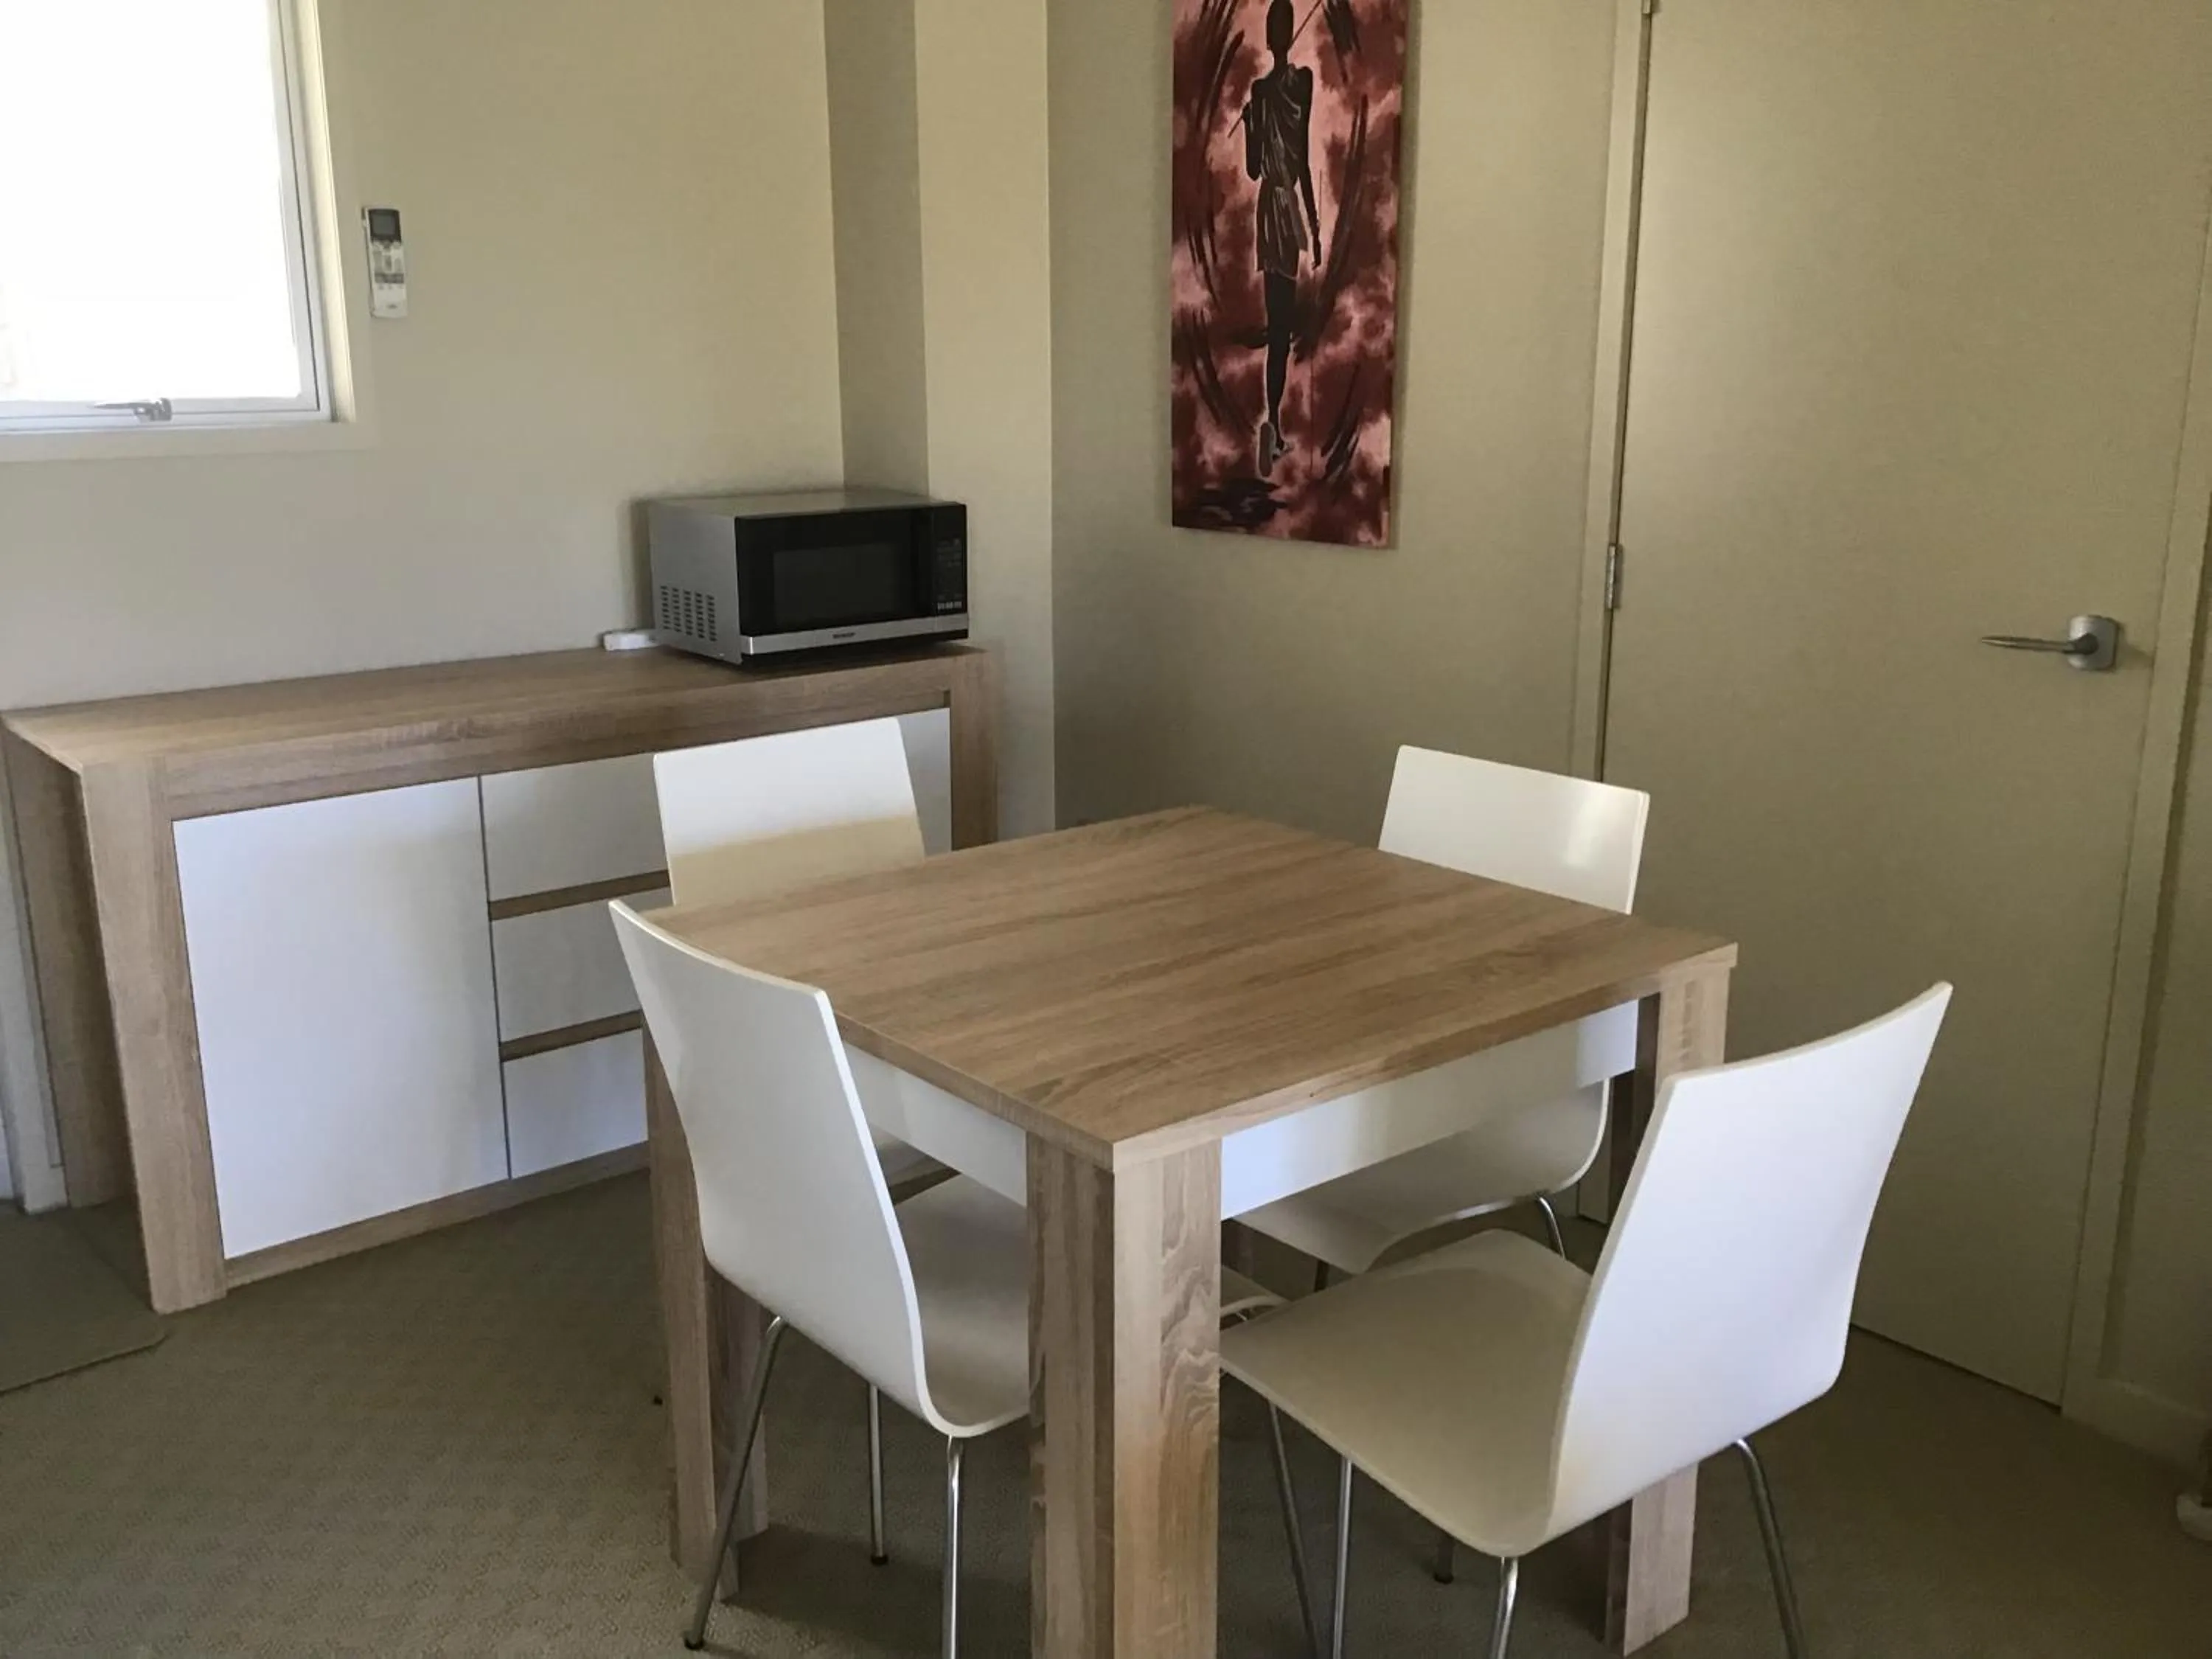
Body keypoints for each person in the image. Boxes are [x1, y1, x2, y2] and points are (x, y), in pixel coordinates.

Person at [1243, 0, 1324, 475]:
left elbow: (1257, 169)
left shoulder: (1265, 89)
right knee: (1282, 332)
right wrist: (1312, 225)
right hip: (1286, 207)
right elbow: (1300, 158)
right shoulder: (1302, 82)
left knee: (1278, 327)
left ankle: (1272, 423)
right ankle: (1273, 427)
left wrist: (1254, 122)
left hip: (1270, 209)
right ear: (1286, 35)